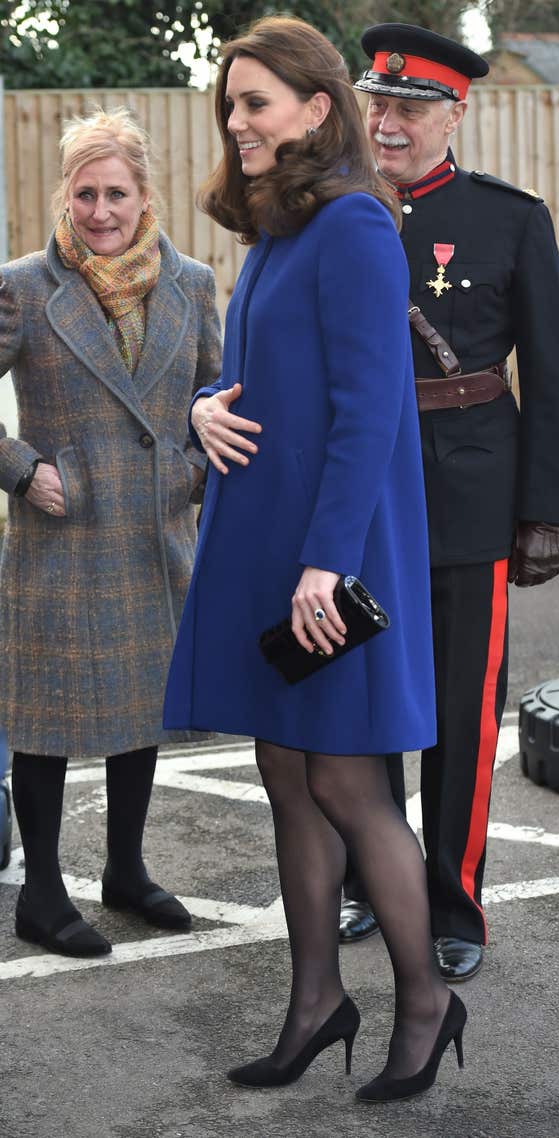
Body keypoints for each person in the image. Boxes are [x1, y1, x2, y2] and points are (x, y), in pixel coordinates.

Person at [164, 15, 465, 1105]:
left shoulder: (351, 226)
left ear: (315, 109)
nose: (235, 121)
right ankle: (313, 1002)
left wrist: (325, 566)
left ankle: (424, 998)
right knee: (284, 768)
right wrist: (204, 409)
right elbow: (247, 374)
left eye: (254, 102)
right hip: (267, 538)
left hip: (322, 552)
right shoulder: (278, 230)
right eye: (229, 105)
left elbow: (369, 406)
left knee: (342, 773)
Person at [338, 24, 559, 980]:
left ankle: (453, 901)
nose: (387, 121)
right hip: (357, 497)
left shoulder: (508, 218)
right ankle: (369, 877)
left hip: (469, 492)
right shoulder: (334, 212)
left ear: (454, 114)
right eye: (378, 103)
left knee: (459, 710)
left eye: (409, 106)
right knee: (362, 699)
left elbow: (551, 373)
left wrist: (545, 510)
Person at [0, 107, 222, 957]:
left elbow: (219, 398)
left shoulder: (192, 282)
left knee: (141, 707)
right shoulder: (23, 285)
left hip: (154, 531)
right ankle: (44, 893)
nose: (100, 212)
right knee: (46, 717)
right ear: (64, 191)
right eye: (85, 193)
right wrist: (22, 468)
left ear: (144, 195)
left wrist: (192, 471)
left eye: (117, 193)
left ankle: (126, 870)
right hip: (62, 533)